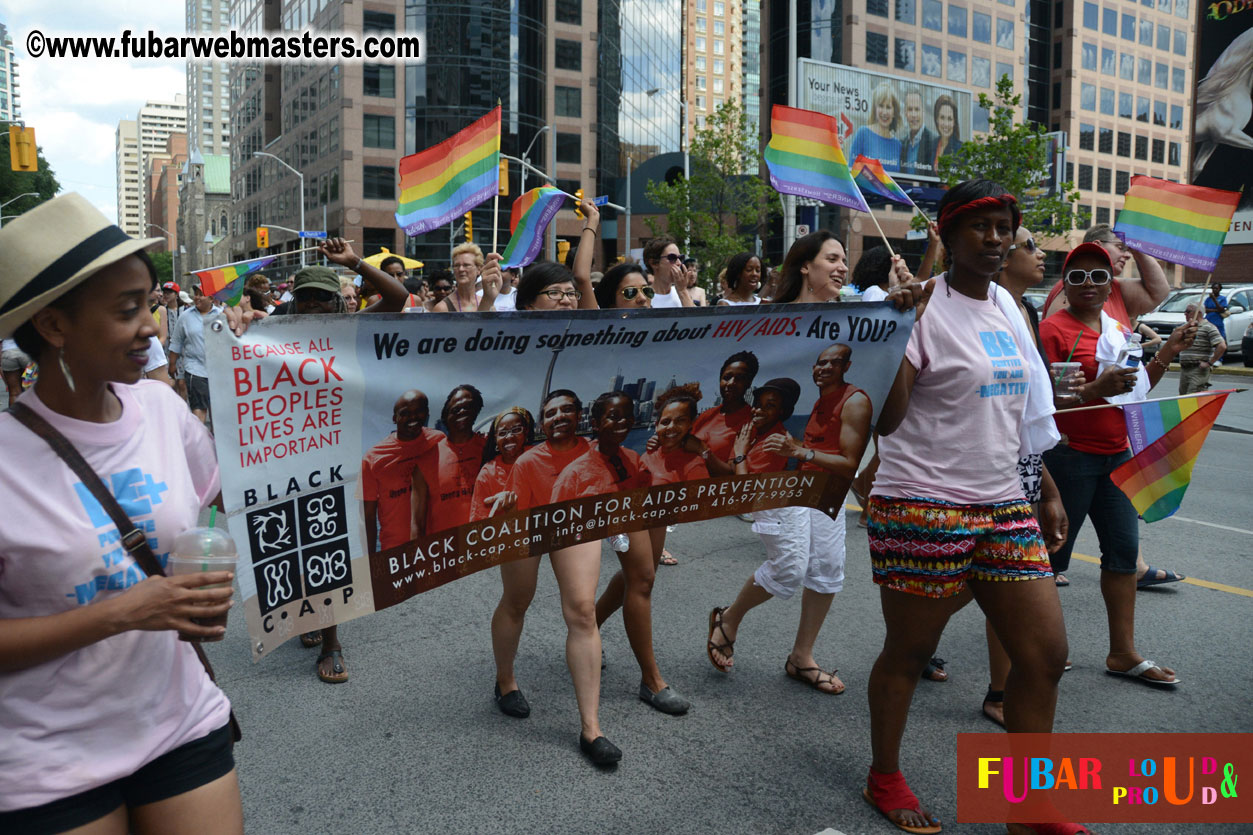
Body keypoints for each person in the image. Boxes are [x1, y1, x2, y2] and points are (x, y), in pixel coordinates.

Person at [0, 193, 244, 834]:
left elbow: (218, 499)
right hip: (44, 760)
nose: (153, 329)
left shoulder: (162, 409)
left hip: (179, 722)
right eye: (127, 310)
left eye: (150, 304)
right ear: (53, 326)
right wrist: (127, 611)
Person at [864, 180, 1079, 835]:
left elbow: (1018, 410)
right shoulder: (918, 309)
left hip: (1001, 504)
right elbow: (889, 419)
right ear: (947, 234)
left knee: (1044, 654)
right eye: (979, 226)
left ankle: (1027, 804)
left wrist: (1042, 488)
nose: (995, 239)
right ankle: (884, 776)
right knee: (909, 649)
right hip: (921, 506)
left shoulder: (1009, 307)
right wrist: (894, 328)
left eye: (1004, 226)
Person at [1040, 242, 1196, 692]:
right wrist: (1094, 389)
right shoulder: (1053, 331)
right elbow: (1049, 403)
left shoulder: (1117, 326)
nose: (1088, 284)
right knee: (1053, 559)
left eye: (1098, 276)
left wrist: (1167, 349)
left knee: (1124, 556)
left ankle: (1122, 652)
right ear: (1065, 285)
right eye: (1077, 277)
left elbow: (1134, 389)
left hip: (1118, 454)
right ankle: (1046, 649)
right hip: (1070, 458)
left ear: (1111, 283)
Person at [707, 341, 873, 695]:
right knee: (790, 569)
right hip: (793, 493)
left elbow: (845, 459)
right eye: (819, 363)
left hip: (823, 490)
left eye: (833, 363)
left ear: (847, 366)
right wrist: (735, 453)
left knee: (827, 570)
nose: (823, 368)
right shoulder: (809, 408)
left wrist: (787, 451)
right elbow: (744, 493)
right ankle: (729, 619)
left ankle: (801, 657)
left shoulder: (851, 402)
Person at [279, 240, 411, 682]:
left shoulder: (353, 328)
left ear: (338, 299)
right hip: (289, 458)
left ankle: (333, 641)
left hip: (342, 457)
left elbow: (398, 299)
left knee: (331, 543)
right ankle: (308, 611)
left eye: (322, 295)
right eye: (306, 296)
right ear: (293, 303)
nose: (314, 303)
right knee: (300, 540)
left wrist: (356, 262)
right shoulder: (270, 342)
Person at [491, 390, 626, 764]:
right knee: (517, 602)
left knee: (583, 611)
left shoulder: (595, 456)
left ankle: (591, 729)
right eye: (550, 413)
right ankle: (506, 682)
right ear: (542, 421)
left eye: (567, 409)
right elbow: (513, 504)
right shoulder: (527, 461)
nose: (559, 416)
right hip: (530, 526)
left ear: (580, 416)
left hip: (576, 529)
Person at [557, 393, 690, 715]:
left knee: (642, 578)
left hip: (630, 511)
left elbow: (650, 485)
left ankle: (594, 628)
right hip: (589, 525)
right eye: (613, 417)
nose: (621, 423)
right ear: (595, 421)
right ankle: (652, 679)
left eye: (627, 416)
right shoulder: (578, 470)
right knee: (641, 580)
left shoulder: (632, 456)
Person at [1040, 224, 1171, 325]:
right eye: (1121, 247)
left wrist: (1138, 251)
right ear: (1098, 245)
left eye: (1129, 249)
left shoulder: (1115, 286)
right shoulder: (1075, 288)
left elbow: (1159, 292)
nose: (1127, 255)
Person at [362, 390, 442, 554]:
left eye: (418, 411)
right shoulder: (372, 458)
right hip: (395, 551)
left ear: (427, 413)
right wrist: (370, 561)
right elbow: (368, 517)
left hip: (438, 544)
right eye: (405, 413)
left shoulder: (439, 440)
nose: (413, 418)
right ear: (394, 418)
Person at [410, 385, 487, 535]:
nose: (463, 411)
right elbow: (417, 523)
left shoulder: (489, 449)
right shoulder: (425, 461)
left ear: (477, 411)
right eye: (456, 409)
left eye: (469, 407)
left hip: (486, 547)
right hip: (444, 552)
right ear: (446, 416)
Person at [692, 351, 759, 463]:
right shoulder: (707, 415)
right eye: (727, 377)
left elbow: (732, 473)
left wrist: (702, 450)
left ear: (749, 383)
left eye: (739, 378)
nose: (731, 383)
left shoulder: (750, 423)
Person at [469, 408, 533, 522]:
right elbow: (479, 523)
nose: (509, 437)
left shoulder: (538, 459)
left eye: (516, 430)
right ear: (495, 439)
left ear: (526, 432)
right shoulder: (487, 473)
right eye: (502, 433)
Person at [168, 285, 218, 425]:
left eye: (201, 294)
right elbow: (176, 341)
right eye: (195, 293)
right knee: (199, 409)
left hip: (217, 371)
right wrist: (172, 365)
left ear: (211, 298)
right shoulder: (185, 317)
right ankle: (199, 443)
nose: (196, 297)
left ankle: (216, 445)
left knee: (217, 412)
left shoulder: (221, 315)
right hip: (195, 369)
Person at [849, 83, 903, 172]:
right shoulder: (863, 134)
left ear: (894, 112)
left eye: (888, 107)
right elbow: (851, 170)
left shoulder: (898, 145)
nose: (884, 112)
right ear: (875, 108)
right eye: (881, 106)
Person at [1178, 303, 1226, 394]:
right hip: (1184, 369)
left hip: (1198, 370)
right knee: (1182, 400)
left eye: (1188, 311)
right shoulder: (1187, 327)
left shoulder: (1208, 327)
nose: (1185, 314)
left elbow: (1222, 346)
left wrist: (1210, 363)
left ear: (1198, 313)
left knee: (1192, 399)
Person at [434, 244, 496, 312]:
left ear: (479, 269)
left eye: (466, 265)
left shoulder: (488, 305)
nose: (461, 269)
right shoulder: (442, 308)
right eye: (457, 265)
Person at [642, 237, 695, 308]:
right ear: (654, 263)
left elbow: (694, 318)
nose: (679, 263)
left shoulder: (681, 292)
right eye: (672, 258)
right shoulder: (642, 297)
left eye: (680, 258)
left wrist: (682, 291)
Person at [898, 87, 937, 176]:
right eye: (910, 109)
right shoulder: (902, 144)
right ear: (905, 113)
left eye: (917, 109)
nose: (913, 115)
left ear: (923, 111)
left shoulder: (934, 141)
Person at [930, 95, 961, 175]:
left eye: (950, 119)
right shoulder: (931, 145)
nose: (946, 124)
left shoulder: (961, 150)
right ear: (937, 119)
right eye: (942, 118)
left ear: (954, 122)